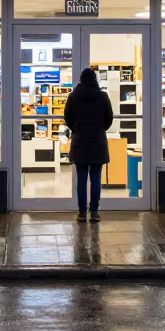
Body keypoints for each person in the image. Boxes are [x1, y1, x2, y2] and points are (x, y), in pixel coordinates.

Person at [63, 67, 113, 223]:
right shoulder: (103, 97)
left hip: (80, 142)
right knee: (96, 179)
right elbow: (109, 119)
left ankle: (82, 213)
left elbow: (67, 118)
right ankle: (94, 212)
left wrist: (77, 129)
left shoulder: (73, 96)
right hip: (97, 142)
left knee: (82, 178)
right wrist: (99, 129)